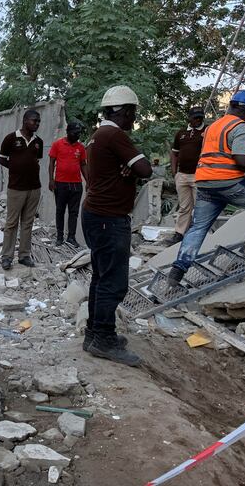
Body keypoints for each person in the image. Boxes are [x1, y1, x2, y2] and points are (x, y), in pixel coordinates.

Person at [82, 86, 152, 366]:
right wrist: (132, 166)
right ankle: (104, 338)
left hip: (96, 215)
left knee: (101, 277)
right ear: (123, 111)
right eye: (132, 113)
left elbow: (124, 170)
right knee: (113, 282)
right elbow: (145, 169)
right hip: (109, 219)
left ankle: (93, 333)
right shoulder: (114, 134)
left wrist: (127, 169)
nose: (133, 119)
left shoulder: (96, 137)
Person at [167, 90, 245, 288]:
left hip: (204, 183)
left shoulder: (213, 127)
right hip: (229, 181)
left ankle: (177, 271)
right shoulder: (241, 127)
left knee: (198, 228)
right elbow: (242, 160)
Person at [0, 109, 43, 269]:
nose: (37, 124)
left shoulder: (39, 142)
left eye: (38, 121)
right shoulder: (11, 139)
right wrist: (16, 168)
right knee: (11, 223)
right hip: (16, 188)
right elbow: (2, 160)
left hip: (34, 189)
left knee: (28, 223)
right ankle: (6, 257)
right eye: (34, 121)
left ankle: (24, 255)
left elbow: (36, 161)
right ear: (25, 121)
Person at [169, 106, 206, 243]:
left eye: (200, 117)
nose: (198, 120)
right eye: (195, 117)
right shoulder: (181, 133)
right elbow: (174, 153)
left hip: (199, 175)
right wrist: (174, 171)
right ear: (189, 118)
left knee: (200, 206)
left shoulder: (207, 131)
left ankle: (198, 235)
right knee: (184, 206)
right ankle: (179, 234)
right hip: (182, 175)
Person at [48, 122, 88, 247]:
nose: (77, 135)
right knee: (60, 211)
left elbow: (83, 165)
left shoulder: (80, 147)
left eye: (79, 133)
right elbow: (51, 163)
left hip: (76, 185)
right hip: (60, 184)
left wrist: (88, 181)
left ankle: (71, 237)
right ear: (68, 131)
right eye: (75, 133)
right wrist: (51, 180)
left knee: (74, 212)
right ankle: (59, 237)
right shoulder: (57, 144)